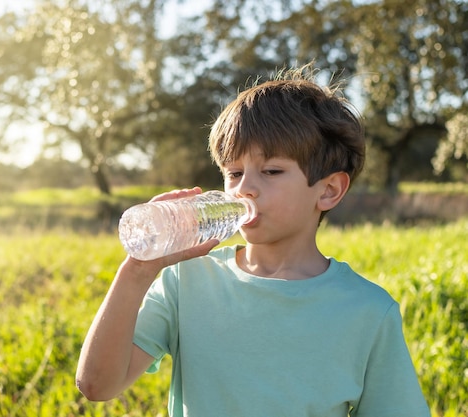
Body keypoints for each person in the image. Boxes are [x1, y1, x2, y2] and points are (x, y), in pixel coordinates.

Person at [75, 64, 430, 417]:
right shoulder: (188, 280)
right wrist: (138, 269)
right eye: (234, 173)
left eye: (271, 171)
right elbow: (97, 385)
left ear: (329, 190)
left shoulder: (367, 311)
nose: (244, 188)